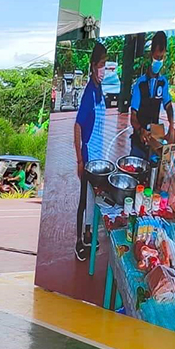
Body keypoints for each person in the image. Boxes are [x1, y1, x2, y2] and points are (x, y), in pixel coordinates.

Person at [75, 42, 108, 262]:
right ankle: (79, 241)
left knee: (92, 198)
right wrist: (79, 160)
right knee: (84, 200)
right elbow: (77, 126)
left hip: (97, 155)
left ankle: (88, 233)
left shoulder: (99, 88)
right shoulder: (88, 93)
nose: (104, 69)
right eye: (102, 64)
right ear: (94, 65)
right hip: (88, 157)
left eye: (106, 64)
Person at [129, 30, 175, 161]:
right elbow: (133, 117)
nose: (158, 61)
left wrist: (171, 127)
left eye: (161, 58)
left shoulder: (163, 82)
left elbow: (168, 106)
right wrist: (140, 130)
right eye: (156, 57)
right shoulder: (140, 83)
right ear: (151, 55)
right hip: (138, 142)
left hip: (155, 139)